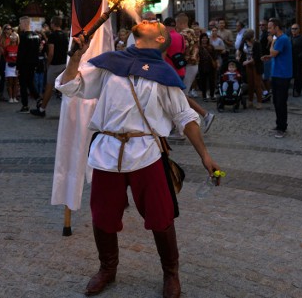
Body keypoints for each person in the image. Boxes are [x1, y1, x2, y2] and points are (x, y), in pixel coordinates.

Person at [56, 20, 221, 298]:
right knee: (103, 216)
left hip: (146, 153)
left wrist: (205, 156)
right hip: (107, 152)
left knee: (161, 216)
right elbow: (73, 85)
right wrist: (75, 57)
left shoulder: (164, 74)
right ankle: (107, 269)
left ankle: (171, 273)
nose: (147, 20)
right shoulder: (109, 63)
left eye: (156, 25)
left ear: (159, 40)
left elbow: (185, 117)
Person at [31, 16, 69, 117]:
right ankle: (67, 112)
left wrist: (48, 64)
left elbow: (51, 52)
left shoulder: (52, 36)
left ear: (53, 24)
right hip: (64, 64)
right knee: (65, 89)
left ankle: (42, 109)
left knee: (49, 87)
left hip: (55, 64)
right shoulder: (65, 35)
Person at [261, 18, 292, 138]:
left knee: (281, 102)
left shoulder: (282, 39)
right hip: (277, 74)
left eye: (270, 28)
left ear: (276, 27)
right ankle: (279, 125)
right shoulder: (280, 39)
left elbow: (274, 52)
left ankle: (282, 128)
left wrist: (271, 43)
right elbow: (275, 55)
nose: (268, 30)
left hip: (282, 75)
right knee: (276, 101)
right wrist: (269, 56)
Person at [16, 16, 42, 113]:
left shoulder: (23, 36)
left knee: (23, 84)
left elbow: (21, 53)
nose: (20, 25)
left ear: (25, 23)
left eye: (20, 23)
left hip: (24, 64)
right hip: (33, 63)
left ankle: (25, 105)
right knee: (30, 82)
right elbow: (37, 50)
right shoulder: (36, 35)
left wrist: (18, 66)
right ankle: (38, 98)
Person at [237, 29, 264, 109]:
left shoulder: (257, 44)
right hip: (248, 65)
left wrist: (248, 62)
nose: (249, 40)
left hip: (256, 64)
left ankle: (259, 102)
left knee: (257, 84)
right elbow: (239, 50)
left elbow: (257, 57)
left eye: (250, 39)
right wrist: (238, 56)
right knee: (250, 83)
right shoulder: (244, 42)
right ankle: (250, 101)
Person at [290, 24, 302, 97]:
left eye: (295, 29)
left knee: (298, 76)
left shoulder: (301, 39)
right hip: (291, 60)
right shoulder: (290, 38)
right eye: (292, 29)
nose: (293, 30)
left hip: (298, 60)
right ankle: (292, 90)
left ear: (299, 30)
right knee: (292, 75)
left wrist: (299, 56)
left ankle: (297, 90)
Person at [197, 33, 217, 102]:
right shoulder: (198, 47)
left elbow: (214, 56)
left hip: (210, 66)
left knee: (212, 81)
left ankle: (212, 95)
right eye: (203, 38)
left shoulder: (211, 47)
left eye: (205, 38)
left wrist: (216, 63)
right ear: (200, 39)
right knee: (203, 81)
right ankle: (204, 96)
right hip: (202, 66)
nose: (204, 40)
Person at [3, 33, 20, 103]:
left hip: (17, 66)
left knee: (16, 82)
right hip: (9, 66)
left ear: (17, 38)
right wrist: (8, 61)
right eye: (12, 36)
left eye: (15, 36)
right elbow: (4, 55)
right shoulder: (7, 47)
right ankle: (10, 97)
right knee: (10, 82)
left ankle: (15, 97)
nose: (13, 37)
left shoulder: (19, 47)